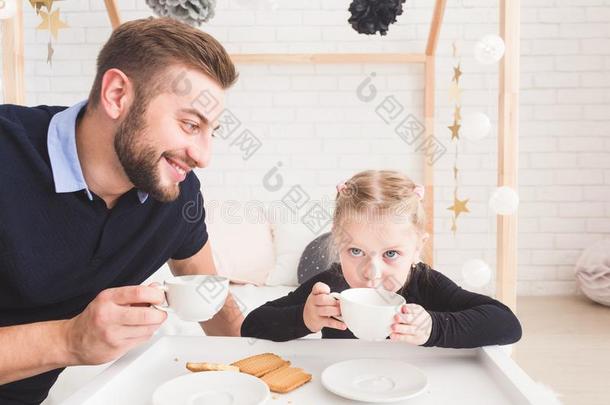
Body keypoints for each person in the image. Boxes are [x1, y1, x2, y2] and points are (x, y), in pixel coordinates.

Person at [0, 17, 243, 404]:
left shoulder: (177, 194)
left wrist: (265, 366)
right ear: (117, 95)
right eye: (189, 124)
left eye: (210, 131)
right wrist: (70, 340)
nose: (203, 155)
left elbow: (209, 293)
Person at [241, 170, 522, 348]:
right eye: (356, 252)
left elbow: (507, 324)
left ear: (416, 251)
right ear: (338, 245)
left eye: (391, 254)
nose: (372, 273)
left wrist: (433, 328)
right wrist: (305, 318)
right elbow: (251, 325)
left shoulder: (426, 284)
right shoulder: (331, 284)